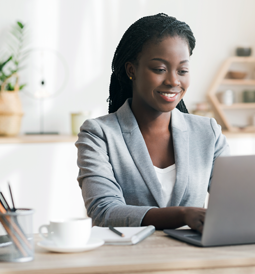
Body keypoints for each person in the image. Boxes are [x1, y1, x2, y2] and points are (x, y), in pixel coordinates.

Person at [76, 13, 229, 233]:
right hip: (129, 261)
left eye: (182, 70)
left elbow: (235, 200)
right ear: (132, 70)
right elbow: (104, 211)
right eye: (159, 69)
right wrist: (182, 214)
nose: (173, 81)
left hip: (192, 260)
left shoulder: (208, 132)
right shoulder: (99, 134)